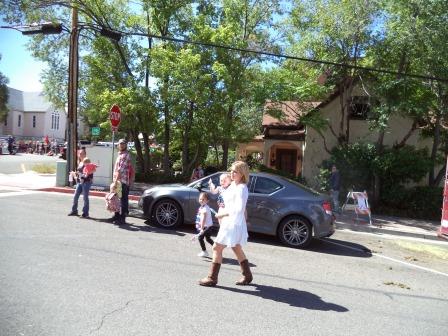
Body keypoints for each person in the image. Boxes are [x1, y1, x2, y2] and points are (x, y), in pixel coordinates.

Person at [199, 161, 252, 287]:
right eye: (231, 171)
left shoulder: (241, 188)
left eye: (235, 172)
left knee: (217, 247)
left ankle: (212, 278)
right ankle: (247, 275)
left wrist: (221, 214)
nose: (232, 173)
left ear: (242, 174)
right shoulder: (233, 184)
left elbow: (238, 209)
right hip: (230, 222)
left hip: (233, 223)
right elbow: (222, 195)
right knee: (236, 247)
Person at [107, 139, 133, 225]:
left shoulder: (125, 155)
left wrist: (115, 182)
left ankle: (122, 218)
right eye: (120, 144)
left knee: (123, 200)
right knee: (116, 199)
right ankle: (117, 216)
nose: (121, 145)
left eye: (123, 144)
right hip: (118, 181)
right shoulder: (120, 154)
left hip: (122, 181)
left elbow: (120, 170)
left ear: (126, 145)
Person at [195, 192, 214, 257]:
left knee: (200, 238)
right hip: (209, 226)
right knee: (208, 239)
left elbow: (203, 219)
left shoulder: (204, 209)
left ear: (207, 201)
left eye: (203, 199)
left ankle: (204, 251)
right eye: (200, 199)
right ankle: (216, 248)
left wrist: (201, 229)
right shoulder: (203, 207)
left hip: (206, 227)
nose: (201, 200)